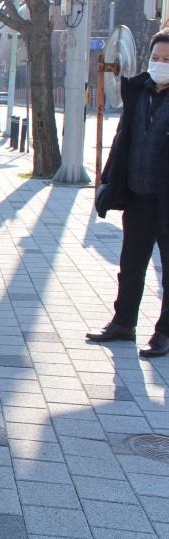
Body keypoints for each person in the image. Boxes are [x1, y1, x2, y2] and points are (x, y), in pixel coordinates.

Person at [88, 30, 169, 358]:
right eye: (156, 58)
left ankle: (164, 332)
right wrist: (108, 181)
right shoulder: (138, 90)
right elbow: (123, 139)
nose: (159, 64)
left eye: (167, 60)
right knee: (131, 265)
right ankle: (124, 323)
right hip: (138, 195)